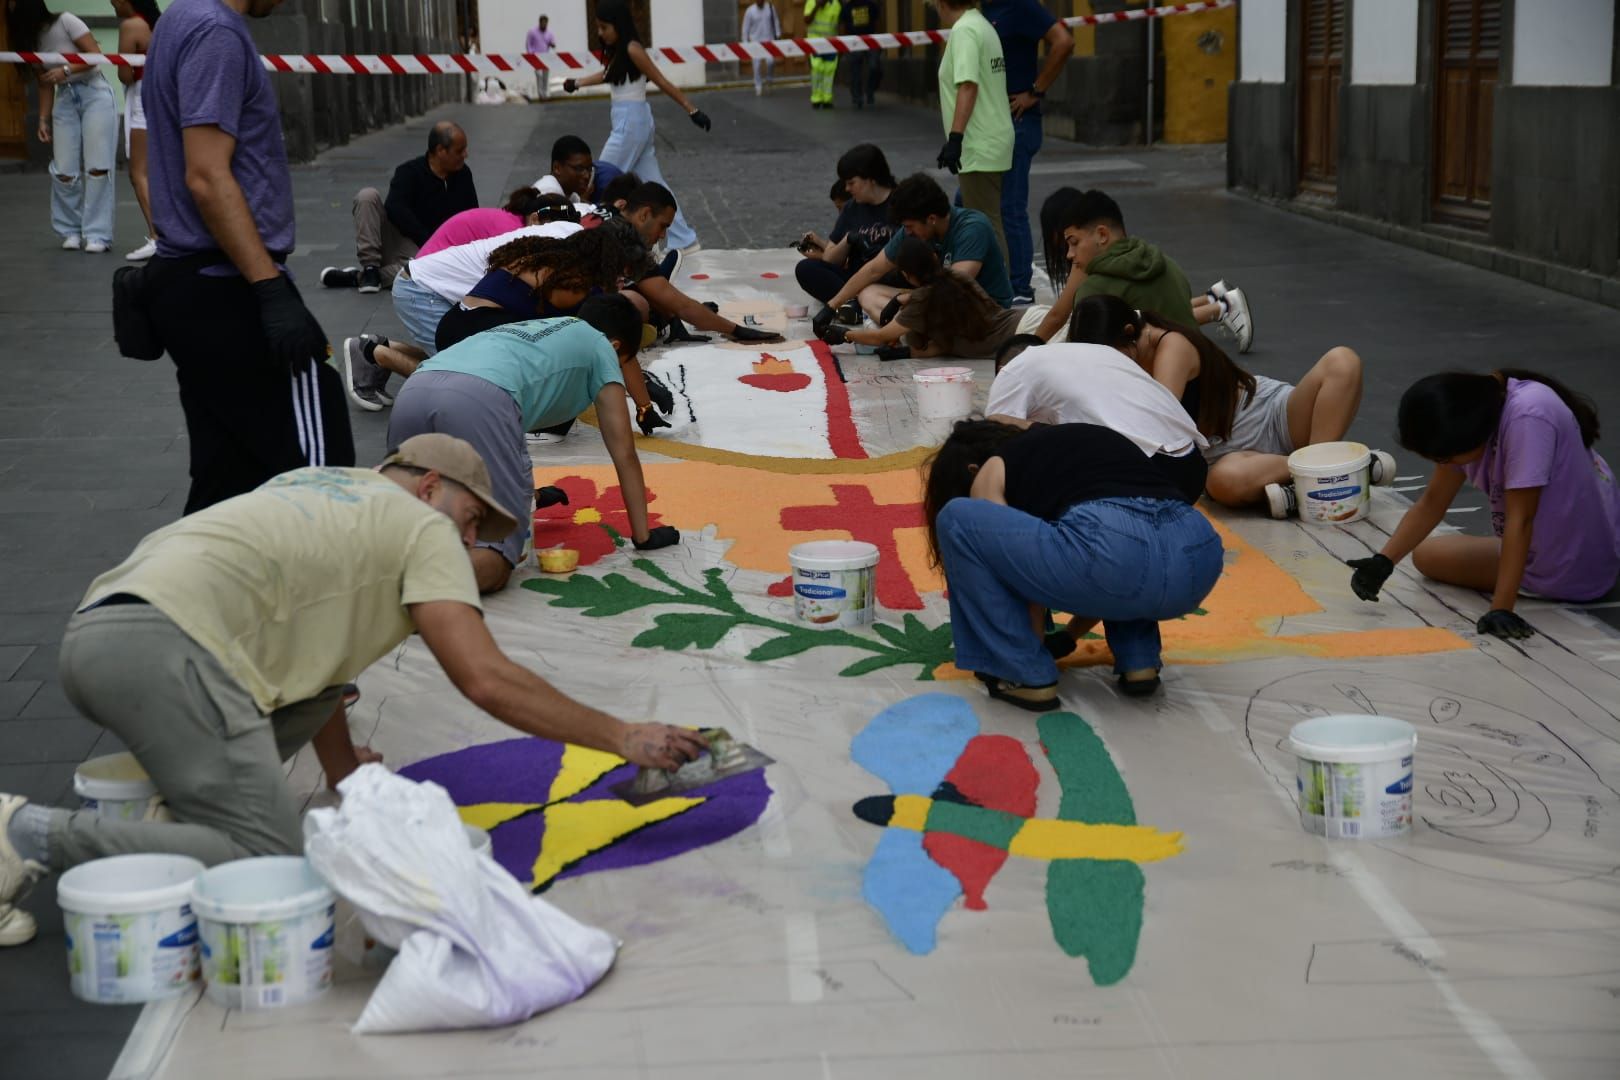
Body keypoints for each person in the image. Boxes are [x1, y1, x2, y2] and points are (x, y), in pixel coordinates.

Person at [0, 434, 708, 946]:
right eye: (469, 523)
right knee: (265, 862)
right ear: (430, 487)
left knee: (299, 707)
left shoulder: (310, 484)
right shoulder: (420, 529)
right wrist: (623, 736)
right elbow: (485, 680)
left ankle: (166, 826)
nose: (467, 544)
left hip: (103, 632)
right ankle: (22, 833)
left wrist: (345, 775)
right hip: (172, 656)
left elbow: (318, 677)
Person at [137, 0, 353, 514]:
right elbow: (207, 176)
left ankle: (196, 588)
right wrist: (270, 289)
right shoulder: (216, 32)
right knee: (321, 466)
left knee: (227, 476)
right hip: (227, 281)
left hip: (193, 279)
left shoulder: (178, 19)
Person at [922, 419, 1223, 709]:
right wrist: (1069, 637)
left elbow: (1019, 576)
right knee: (1128, 547)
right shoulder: (1074, 445)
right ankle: (1139, 661)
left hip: (1115, 555)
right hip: (1198, 556)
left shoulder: (993, 467)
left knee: (957, 518)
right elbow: (1115, 570)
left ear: (972, 470)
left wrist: (1028, 653)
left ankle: (1021, 677)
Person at [388, 298, 680, 594]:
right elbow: (624, 452)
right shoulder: (601, 347)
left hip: (416, 387)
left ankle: (376, 572)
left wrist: (531, 495)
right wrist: (643, 536)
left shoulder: (544, 327)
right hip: (480, 398)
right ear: (616, 346)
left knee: (409, 519)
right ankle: (410, 588)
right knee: (498, 556)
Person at [1348, 371, 1620, 641]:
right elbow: (1432, 502)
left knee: (1435, 555)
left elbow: (1521, 520)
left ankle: (1530, 581)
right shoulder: (1475, 410)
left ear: (1468, 437)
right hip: (1575, 541)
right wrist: (1383, 561)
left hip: (1573, 565)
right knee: (1427, 555)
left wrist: (1501, 608)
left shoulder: (1529, 420)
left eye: (1443, 457)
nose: (1443, 464)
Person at [1069, 294, 1392, 518]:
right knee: (1223, 482)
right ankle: (1341, 472)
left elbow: (1155, 419)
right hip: (1231, 459)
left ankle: (1319, 473)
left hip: (1271, 415)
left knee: (1342, 361)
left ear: (1129, 333)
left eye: (1109, 355)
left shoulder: (1171, 345)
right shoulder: (1123, 357)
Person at [561, 0, 711, 255]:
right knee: (655, 183)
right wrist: (577, 82)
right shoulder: (620, 51)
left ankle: (592, 244)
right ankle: (685, 241)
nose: (600, 33)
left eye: (604, 27)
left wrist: (692, 110)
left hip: (631, 123)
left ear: (618, 25)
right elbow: (608, 74)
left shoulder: (633, 49)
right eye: (598, 27)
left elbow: (660, 80)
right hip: (631, 120)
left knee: (597, 179)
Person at [987, 337, 1208, 501]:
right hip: (1193, 466)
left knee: (1004, 427)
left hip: (1152, 473)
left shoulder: (1012, 371)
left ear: (1001, 368)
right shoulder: (1094, 351)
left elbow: (990, 442)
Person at [1036, 188, 1254, 351]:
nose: (1069, 254)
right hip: (1200, 371)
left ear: (1102, 235)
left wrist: (1026, 351)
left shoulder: (1093, 288)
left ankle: (1221, 306)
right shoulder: (1169, 265)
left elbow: (1084, 357)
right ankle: (1216, 302)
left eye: (1073, 242)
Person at [818, 172, 1013, 330]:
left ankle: (902, 331)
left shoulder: (972, 227)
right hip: (936, 299)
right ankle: (905, 330)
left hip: (981, 309)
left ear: (931, 218)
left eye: (910, 226)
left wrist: (903, 300)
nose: (907, 232)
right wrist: (830, 306)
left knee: (930, 307)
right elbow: (873, 269)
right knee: (868, 293)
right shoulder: (914, 229)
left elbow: (953, 287)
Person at [603, 181, 784, 346]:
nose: (663, 236)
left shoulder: (606, 213)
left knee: (651, 297)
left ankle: (657, 301)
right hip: (582, 315)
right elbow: (684, 307)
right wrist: (738, 330)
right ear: (644, 214)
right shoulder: (627, 241)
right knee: (636, 304)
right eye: (663, 226)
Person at [389, 206, 582, 360]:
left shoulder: (568, 235)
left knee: (454, 358)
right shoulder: (566, 248)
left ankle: (377, 348)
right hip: (422, 287)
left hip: (427, 280)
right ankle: (377, 355)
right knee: (454, 369)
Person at [9, 0, 118, 252]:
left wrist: (66, 70)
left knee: (98, 167)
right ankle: (69, 229)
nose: (12, 6)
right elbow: (45, 82)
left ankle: (97, 234)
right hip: (65, 100)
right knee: (64, 170)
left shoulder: (66, 21)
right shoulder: (30, 39)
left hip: (95, 93)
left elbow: (94, 55)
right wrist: (43, 119)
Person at [983, 0, 1072, 304]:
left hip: (1018, 120)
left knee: (1010, 206)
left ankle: (1020, 288)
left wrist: (1035, 91)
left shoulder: (1020, 6)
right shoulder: (983, 9)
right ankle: (999, 278)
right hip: (992, 121)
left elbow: (1063, 41)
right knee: (974, 200)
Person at [322, 121, 477, 293]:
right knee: (367, 196)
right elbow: (395, 208)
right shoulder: (409, 171)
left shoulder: (463, 175)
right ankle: (370, 266)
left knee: (420, 273)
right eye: (459, 150)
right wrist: (427, 239)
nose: (465, 154)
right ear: (441, 150)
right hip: (401, 240)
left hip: (429, 254)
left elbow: (471, 216)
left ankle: (361, 277)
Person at [833, 235, 1030, 360]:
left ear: (906, 275)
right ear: (935, 258)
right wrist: (906, 352)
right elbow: (947, 346)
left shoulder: (923, 301)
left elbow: (880, 337)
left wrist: (844, 334)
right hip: (1026, 320)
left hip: (1023, 337)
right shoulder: (957, 277)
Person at [932, 0, 1012, 266]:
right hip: (992, 136)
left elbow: (968, 84)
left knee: (986, 223)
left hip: (979, 140)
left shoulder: (964, 30)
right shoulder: (982, 25)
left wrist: (955, 138)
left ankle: (998, 299)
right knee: (986, 218)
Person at [795, 143, 897, 311]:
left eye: (851, 182)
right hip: (855, 281)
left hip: (890, 279)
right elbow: (830, 258)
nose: (847, 189)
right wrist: (848, 240)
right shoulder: (852, 207)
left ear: (871, 179)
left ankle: (859, 305)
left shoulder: (900, 201)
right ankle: (855, 304)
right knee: (806, 268)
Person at [113, 0, 161, 261]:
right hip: (162, 95)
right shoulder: (157, 23)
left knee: (138, 173)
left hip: (143, 97)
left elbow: (125, 75)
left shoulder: (131, 25)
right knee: (159, 170)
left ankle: (158, 237)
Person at [839, 0, 880, 108]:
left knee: (874, 66)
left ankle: (870, 91)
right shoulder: (847, 7)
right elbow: (842, 26)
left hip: (870, 41)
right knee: (855, 69)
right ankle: (857, 96)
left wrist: (879, 41)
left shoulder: (871, 5)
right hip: (854, 42)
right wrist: (845, 45)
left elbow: (877, 23)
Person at [532, 133, 596, 203]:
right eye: (579, 169)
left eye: (589, 169)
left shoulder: (568, 191)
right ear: (557, 168)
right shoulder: (549, 194)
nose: (587, 176)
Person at [805, 1, 841, 109]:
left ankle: (827, 99)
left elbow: (839, 25)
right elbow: (806, 20)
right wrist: (816, 7)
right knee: (817, 68)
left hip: (831, 43)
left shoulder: (836, 5)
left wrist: (841, 45)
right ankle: (816, 99)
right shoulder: (811, 2)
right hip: (815, 42)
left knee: (829, 70)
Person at [743, 0, 781, 96]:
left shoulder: (770, 8)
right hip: (755, 42)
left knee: (770, 62)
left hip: (769, 40)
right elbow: (745, 28)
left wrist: (777, 34)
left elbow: (775, 21)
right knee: (757, 65)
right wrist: (745, 42)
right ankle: (758, 86)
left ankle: (769, 79)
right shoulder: (750, 11)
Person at [524, 13, 556, 101]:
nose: (544, 24)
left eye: (546, 23)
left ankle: (545, 94)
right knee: (539, 76)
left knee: (546, 76)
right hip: (536, 57)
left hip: (546, 57)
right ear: (540, 22)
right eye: (543, 23)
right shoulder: (532, 32)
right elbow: (528, 44)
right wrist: (530, 54)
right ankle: (541, 95)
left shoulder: (550, 33)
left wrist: (552, 45)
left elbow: (553, 44)